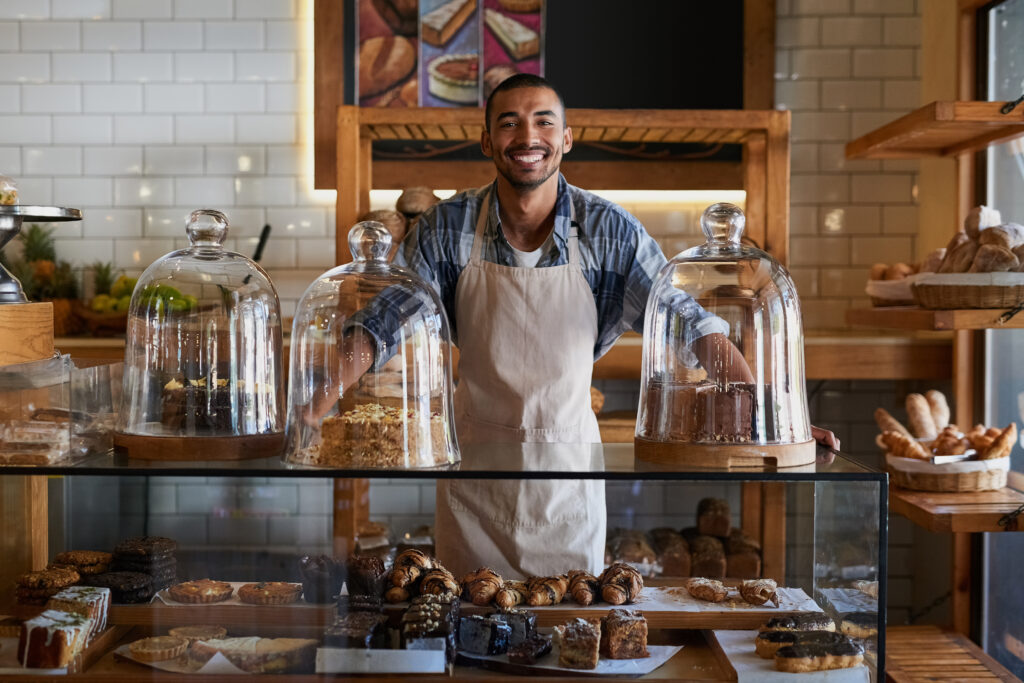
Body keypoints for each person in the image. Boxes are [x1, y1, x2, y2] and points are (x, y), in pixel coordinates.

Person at [337, 74, 837, 577]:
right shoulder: (444, 228)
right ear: (488, 140)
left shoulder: (609, 231)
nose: (528, 137)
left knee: (566, 635)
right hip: (475, 481)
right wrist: (312, 410)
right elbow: (383, 321)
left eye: (543, 122)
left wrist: (773, 424)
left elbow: (691, 326)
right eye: (509, 123)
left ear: (566, 138)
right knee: (469, 630)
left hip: (567, 479)